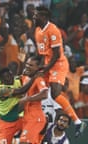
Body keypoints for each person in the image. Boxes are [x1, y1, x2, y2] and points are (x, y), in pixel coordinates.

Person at [33, 6, 86, 137]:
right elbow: (43, 54)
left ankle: (77, 121)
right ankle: (42, 119)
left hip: (58, 64)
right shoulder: (38, 31)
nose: (33, 17)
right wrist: (39, 68)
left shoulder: (53, 30)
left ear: (44, 17)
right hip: (47, 63)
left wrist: (45, 68)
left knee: (56, 93)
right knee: (36, 83)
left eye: (36, 16)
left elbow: (56, 54)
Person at [19, 56, 49, 144]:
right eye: (27, 64)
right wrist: (21, 62)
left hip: (36, 118)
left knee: (23, 142)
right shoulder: (26, 78)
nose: (27, 66)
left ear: (37, 67)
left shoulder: (38, 79)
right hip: (27, 117)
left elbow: (45, 94)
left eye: (31, 65)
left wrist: (28, 99)